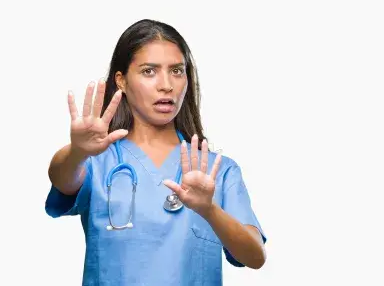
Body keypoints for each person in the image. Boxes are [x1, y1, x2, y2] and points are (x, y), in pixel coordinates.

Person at [45, 19, 267, 286]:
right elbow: (61, 176)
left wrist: (209, 210)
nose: (166, 85)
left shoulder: (217, 170)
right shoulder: (98, 161)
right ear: (122, 81)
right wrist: (78, 152)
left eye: (176, 71)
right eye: (149, 71)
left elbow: (255, 256)